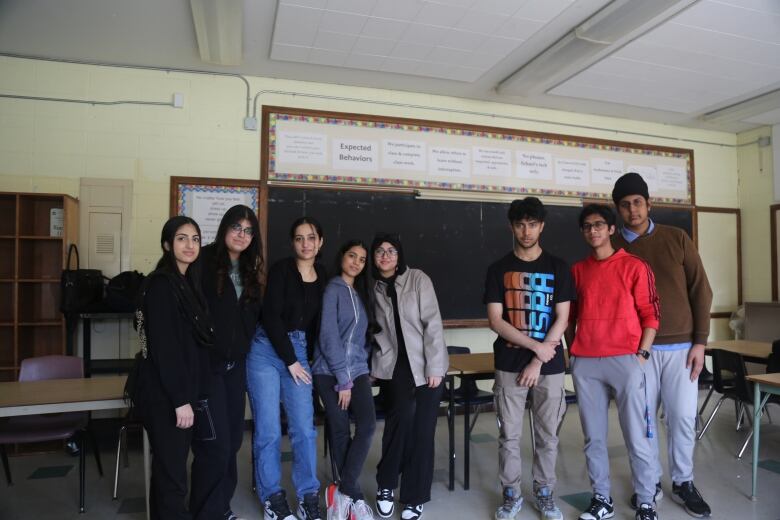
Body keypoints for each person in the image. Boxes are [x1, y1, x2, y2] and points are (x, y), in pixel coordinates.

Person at [612, 172, 713, 518]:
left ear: (649, 203)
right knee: (642, 422)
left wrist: (700, 342)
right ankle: (649, 482)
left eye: (638, 202)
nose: (632, 210)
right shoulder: (613, 249)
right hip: (635, 352)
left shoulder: (677, 238)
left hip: (681, 349)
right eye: (625, 205)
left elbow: (701, 290)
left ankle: (683, 481)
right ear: (618, 210)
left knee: (683, 418)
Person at [567, 204, 661, 520]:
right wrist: (573, 353)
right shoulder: (578, 271)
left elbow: (651, 315)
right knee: (593, 436)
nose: (592, 230)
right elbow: (570, 317)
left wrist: (641, 356)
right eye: (586, 226)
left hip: (626, 360)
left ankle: (646, 501)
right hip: (587, 363)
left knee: (636, 435)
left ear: (611, 229)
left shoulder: (634, 266)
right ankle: (601, 499)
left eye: (599, 225)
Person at [484, 197, 574, 520]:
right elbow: (496, 320)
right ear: (512, 226)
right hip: (509, 364)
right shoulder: (498, 269)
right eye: (520, 224)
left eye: (532, 224)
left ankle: (545, 492)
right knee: (509, 434)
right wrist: (534, 348)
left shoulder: (558, 267)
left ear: (542, 226)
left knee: (547, 435)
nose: (526, 230)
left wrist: (538, 357)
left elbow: (562, 318)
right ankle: (511, 494)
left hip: (549, 366)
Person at [246, 216, 326, 520]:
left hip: (300, 351)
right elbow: (271, 316)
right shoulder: (281, 269)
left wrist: (306, 361)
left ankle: (308, 496)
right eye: (299, 238)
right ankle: (273, 499)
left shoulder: (323, 274)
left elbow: (319, 326)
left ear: (320, 242)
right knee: (268, 429)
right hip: (267, 350)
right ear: (292, 243)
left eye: (311, 237)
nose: (305, 244)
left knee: (304, 429)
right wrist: (290, 360)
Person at [134, 216, 214, 519]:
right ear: (168, 244)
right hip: (166, 394)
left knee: (170, 469)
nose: (190, 245)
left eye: (195, 239)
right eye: (182, 238)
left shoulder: (186, 283)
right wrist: (181, 400)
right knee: (172, 474)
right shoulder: (161, 286)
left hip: (178, 390)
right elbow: (164, 348)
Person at [370, 232, 448, 520]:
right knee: (400, 419)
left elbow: (433, 325)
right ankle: (386, 483)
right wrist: (373, 368)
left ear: (399, 255)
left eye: (391, 250)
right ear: (374, 256)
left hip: (426, 361)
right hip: (394, 366)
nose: (386, 256)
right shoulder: (373, 287)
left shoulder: (418, 279)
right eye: (380, 251)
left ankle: (415, 497)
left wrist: (435, 367)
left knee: (423, 431)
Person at [193, 205, 263, 520]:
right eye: (237, 227)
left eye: (248, 230)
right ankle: (206, 511)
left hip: (236, 367)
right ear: (224, 228)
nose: (242, 235)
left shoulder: (250, 269)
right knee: (214, 443)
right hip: (208, 366)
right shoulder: (203, 261)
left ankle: (221, 505)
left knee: (233, 440)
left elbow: (249, 317)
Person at [313, 240, 377, 520]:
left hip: (358, 369)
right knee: (339, 428)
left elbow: (364, 337)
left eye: (362, 259)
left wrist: (363, 369)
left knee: (368, 425)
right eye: (352, 256)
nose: (356, 262)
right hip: (329, 370)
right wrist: (343, 380)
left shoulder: (361, 293)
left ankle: (341, 491)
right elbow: (328, 337)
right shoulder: (332, 290)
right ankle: (353, 495)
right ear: (342, 257)